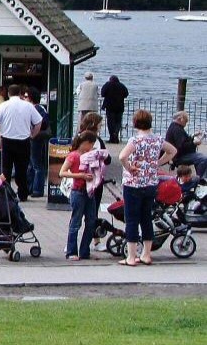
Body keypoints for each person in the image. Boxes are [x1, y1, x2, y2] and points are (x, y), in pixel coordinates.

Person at [118, 110, 177, 266]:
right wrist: (157, 163)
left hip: (133, 184)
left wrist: (129, 167)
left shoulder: (135, 140)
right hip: (151, 183)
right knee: (146, 218)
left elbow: (122, 156)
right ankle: (146, 254)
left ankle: (131, 257)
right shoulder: (157, 139)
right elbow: (173, 151)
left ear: (135, 123)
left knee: (132, 220)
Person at [0, 84, 42, 202]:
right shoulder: (28, 106)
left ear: (8, 94)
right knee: (22, 169)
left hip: (7, 140)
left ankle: (7, 194)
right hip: (24, 141)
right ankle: (23, 194)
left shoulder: (3, 105)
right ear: (20, 93)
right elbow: (39, 122)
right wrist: (33, 134)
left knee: (6, 169)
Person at [60, 131, 105, 261]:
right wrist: (80, 175)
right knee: (76, 222)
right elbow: (62, 172)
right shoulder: (73, 156)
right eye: (91, 144)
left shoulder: (89, 155)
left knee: (91, 221)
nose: (92, 147)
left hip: (89, 192)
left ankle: (85, 250)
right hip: (78, 191)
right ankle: (71, 251)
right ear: (85, 143)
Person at [79, 113, 113, 252]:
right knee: (92, 212)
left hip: (80, 179)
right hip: (94, 180)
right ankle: (95, 241)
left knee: (78, 214)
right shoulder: (97, 141)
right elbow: (107, 158)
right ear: (94, 124)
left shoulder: (79, 137)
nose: (101, 126)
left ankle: (72, 243)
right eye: (100, 124)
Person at [165, 111, 207, 177]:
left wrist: (193, 135)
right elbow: (182, 146)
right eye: (186, 121)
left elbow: (182, 140)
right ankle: (200, 178)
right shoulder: (177, 129)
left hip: (178, 155)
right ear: (180, 119)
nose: (186, 123)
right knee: (203, 159)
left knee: (200, 157)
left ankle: (200, 177)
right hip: (179, 157)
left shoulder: (174, 127)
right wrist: (194, 143)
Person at [26, 87, 51, 198]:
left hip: (35, 138)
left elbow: (41, 123)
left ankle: (36, 189)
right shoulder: (42, 108)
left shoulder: (34, 109)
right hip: (37, 138)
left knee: (35, 164)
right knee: (33, 164)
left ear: (30, 98)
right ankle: (32, 188)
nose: (24, 98)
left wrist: (32, 133)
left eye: (26, 96)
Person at [100, 75, 129, 144]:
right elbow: (126, 94)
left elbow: (102, 94)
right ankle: (116, 134)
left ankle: (112, 137)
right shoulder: (122, 85)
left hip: (109, 107)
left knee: (110, 123)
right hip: (119, 107)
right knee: (118, 122)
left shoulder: (107, 85)